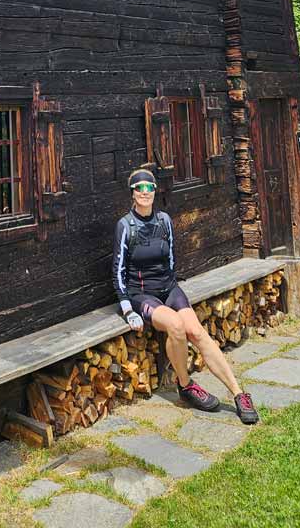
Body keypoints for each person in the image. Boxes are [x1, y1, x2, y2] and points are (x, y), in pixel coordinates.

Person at [112, 168, 259, 425]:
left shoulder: (164, 220)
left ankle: (238, 393)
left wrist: (170, 284)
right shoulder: (125, 226)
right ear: (132, 193)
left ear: (155, 192)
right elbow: (118, 270)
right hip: (141, 293)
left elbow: (170, 258)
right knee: (176, 327)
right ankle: (185, 384)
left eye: (149, 188)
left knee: (197, 332)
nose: (145, 193)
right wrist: (128, 309)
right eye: (139, 188)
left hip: (168, 288)